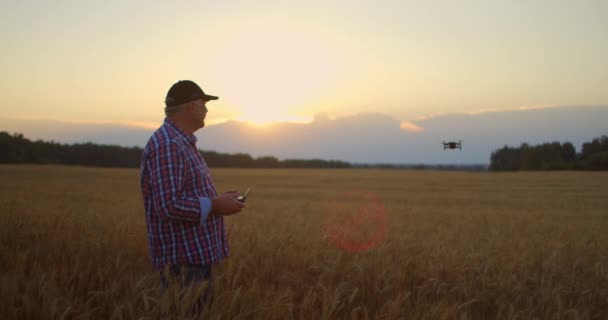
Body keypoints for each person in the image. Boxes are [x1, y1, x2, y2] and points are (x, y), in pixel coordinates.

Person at [140, 80, 245, 314]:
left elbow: (183, 194)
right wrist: (216, 205)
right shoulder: (169, 144)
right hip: (183, 260)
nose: (206, 109)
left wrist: (219, 199)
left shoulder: (180, 142)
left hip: (192, 256)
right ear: (189, 107)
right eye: (203, 103)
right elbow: (168, 205)